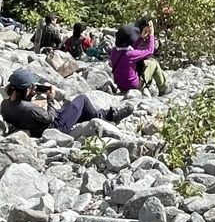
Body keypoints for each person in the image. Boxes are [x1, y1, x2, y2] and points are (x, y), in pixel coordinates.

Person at [0, 68, 131, 137]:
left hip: (36, 126)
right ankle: (109, 115)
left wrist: (32, 96)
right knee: (82, 99)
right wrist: (50, 99)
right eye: (32, 87)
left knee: (71, 109)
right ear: (26, 89)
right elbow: (50, 118)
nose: (35, 88)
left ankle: (100, 115)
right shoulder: (29, 108)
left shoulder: (4, 105)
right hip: (56, 128)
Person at [109, 21, 171, 96]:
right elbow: (150, 51)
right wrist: (151, 35)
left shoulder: (114, 51)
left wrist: (141, 37)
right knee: (153, 63)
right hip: (133, 86)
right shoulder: (130, 55)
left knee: (144, 64)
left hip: (121, 86)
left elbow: (131, 49)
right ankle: (163, 89)